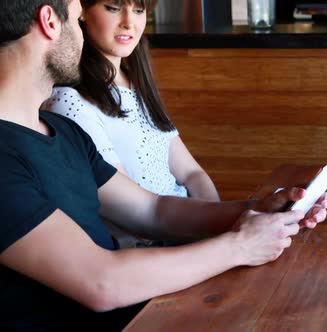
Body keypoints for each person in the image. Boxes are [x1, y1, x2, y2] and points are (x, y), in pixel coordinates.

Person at [0, 1, 327, 330]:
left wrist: (257, 210)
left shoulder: (63, 132)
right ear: (49, 22)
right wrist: (240, 246)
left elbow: (153, 210)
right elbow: (101, 282)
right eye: (75, 19)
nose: (81, 32)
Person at [43, 0, 219, 246]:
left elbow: (192, 174)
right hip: (152, 247)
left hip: (192, 228)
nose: (129, 23)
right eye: (113, 9)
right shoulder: (70, 101)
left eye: (138, 11)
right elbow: (135, 214)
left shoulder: (136, 82)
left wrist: (218, 221)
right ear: (81, 12)